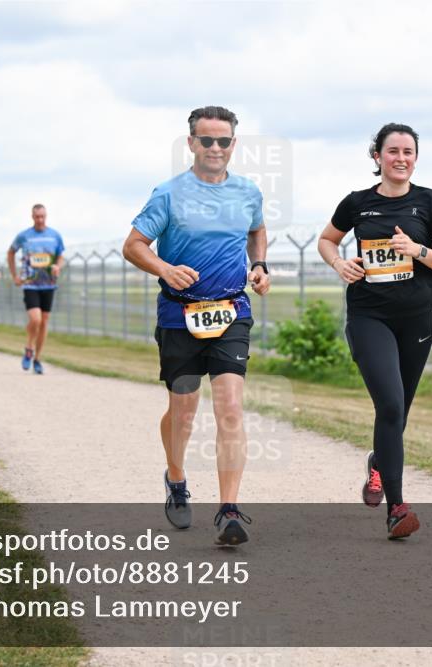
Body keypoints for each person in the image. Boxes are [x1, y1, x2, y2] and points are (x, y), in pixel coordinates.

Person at [122, 105, 270, 546]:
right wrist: (165, 270)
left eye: (223, 141)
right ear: (190, 143)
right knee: (183, 413)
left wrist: (259, 264)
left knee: (229, 407)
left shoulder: (247, 191)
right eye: (206, 140)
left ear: (233, 145)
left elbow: (257, 230)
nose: (215, 148)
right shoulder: (168, 193)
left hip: (231, 312)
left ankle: (228, 511)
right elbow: (133, 246)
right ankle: (176, 475)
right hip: (179, 314)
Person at [317, 122, 432, 540]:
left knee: (400, 411)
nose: (401, 158)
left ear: (416, 158)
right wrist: (339, 263)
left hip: (417, 318)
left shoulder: (428, 202)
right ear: (376, 156)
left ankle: (379, 463)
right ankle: (398, 509)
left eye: (408, 152)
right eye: (392, 151)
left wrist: (417, 250)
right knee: (392, 406)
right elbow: (327, 240)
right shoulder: (357, 202)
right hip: (369, 316)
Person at [7, 204, 66, 373]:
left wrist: (57, 266)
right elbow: (10, 252)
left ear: (46, 216)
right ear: (32, 217)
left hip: (49, 284)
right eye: (37, 217)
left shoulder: (55, 235)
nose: (40, 220)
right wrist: (14, 276)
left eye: (42, 216)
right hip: (30, 283)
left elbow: (61, 255)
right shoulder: (24, 236)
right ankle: (28, 347)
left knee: (44, 322)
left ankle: (37, 359)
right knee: (36, 319)